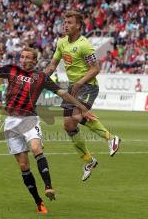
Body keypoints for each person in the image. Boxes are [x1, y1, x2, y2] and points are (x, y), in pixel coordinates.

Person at [0, 47, 97, 214]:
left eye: (28, 57)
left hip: (29, 119)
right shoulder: (11, 69)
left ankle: (48, 186)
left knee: (36, 148)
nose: (24, 59)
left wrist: (82, 108)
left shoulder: (41, 77)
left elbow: (63, 94)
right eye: (22, 56)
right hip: (11, 122)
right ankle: (38, 201)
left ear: (35, 61)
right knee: (24, 165)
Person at [45, 11, 121, 181]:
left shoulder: (84, 45)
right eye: (65, 22)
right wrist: (41, 76)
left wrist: (79, 83)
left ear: (78, 25)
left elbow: (95, 68)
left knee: (77, 115)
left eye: (70, 22)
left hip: (87, 86)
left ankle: (111, 138)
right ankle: (89, 160)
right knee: (68, 125)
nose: (66, 25)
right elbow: (52, 64)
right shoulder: (62, 43)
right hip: (73, 87)